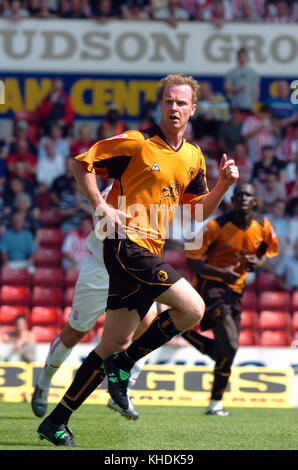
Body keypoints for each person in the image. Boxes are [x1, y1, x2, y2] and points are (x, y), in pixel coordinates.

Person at [37, 73, 239, 446]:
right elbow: (81, 164)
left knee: (111, 345)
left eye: (182, 102)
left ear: (193, 109)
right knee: (192, 309)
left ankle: (57, 420)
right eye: (169, 101)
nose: (174, 108)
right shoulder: (136, 142)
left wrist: (224, 186)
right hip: (123, 242)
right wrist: (100, 207)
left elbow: (195, 214)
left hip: (149, 250)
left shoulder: (194, 157)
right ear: (160, 106)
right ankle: (125, 366)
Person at [31, 184, 158, 421]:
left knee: (150, 328)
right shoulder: (112, 191)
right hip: (102, 270)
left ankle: (123, 389)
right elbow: (110, 231)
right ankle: (44, 381)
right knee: (74, 334)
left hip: (137, 271)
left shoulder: (157, 187)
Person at [182, 182, 279, 415]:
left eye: (249, 195)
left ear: (255, 201)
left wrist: (259, 261)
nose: (244, 198)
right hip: (211, 288)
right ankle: (183, 332)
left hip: (236, 291)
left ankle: (215, 404)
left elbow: (268, 251)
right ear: (232, 200)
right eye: (239, 195)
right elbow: (191, 259)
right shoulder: (216, 225)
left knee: (227, 351)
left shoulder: (263, 225)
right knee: (232, 344)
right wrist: (220, 273)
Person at [224, 47, 260, 114]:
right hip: (236, 105)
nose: (242, 58)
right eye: (240, 56)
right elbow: (226, 87)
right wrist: (236, 89)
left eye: (243, 56)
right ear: (237, 57)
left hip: (248, 105)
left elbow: (256, 89)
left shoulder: (252, 73)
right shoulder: (232, 72)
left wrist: (254, 103)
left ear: (247, 57)